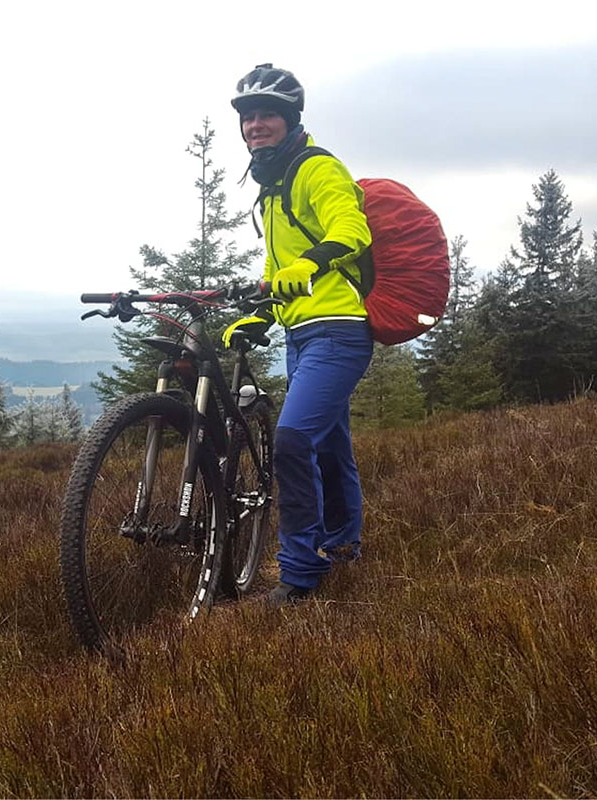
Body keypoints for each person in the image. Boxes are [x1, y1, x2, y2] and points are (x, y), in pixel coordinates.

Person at [221, 63, 374, 605]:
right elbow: (278, 275)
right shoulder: (271, 188)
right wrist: (259, 316)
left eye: (267, 115)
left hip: (339, 332)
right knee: (330, 446)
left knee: (292, 440)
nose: (255, 125)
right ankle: (344, 546)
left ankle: (300, 573)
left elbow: (351, 231)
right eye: (248, 117)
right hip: (300, 334)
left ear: (290, 120)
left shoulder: (317, 169)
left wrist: (310, 262)